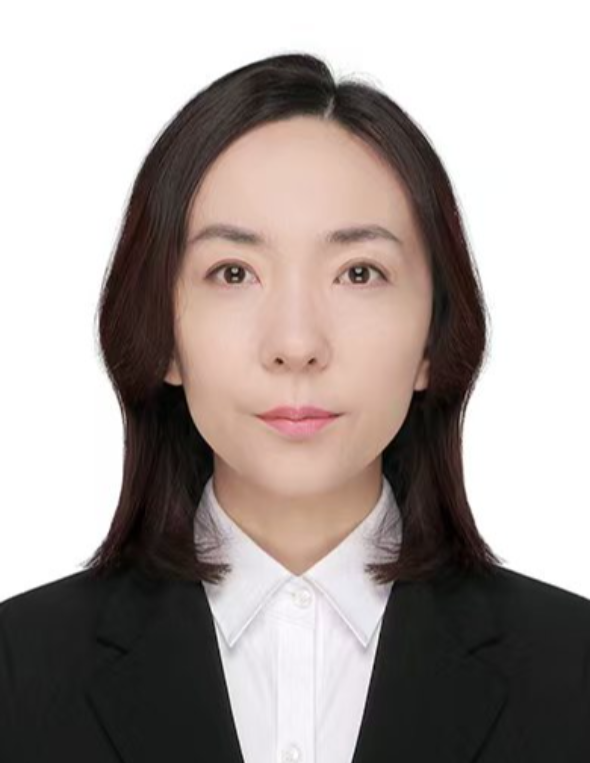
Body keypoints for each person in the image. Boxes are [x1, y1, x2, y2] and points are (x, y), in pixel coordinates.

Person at [1, 52, 589, 762]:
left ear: (434, 337)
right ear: (161, 336)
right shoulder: (19, 671)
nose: (296, 344)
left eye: (359, 272)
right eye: (233, 272)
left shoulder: (572, 669)